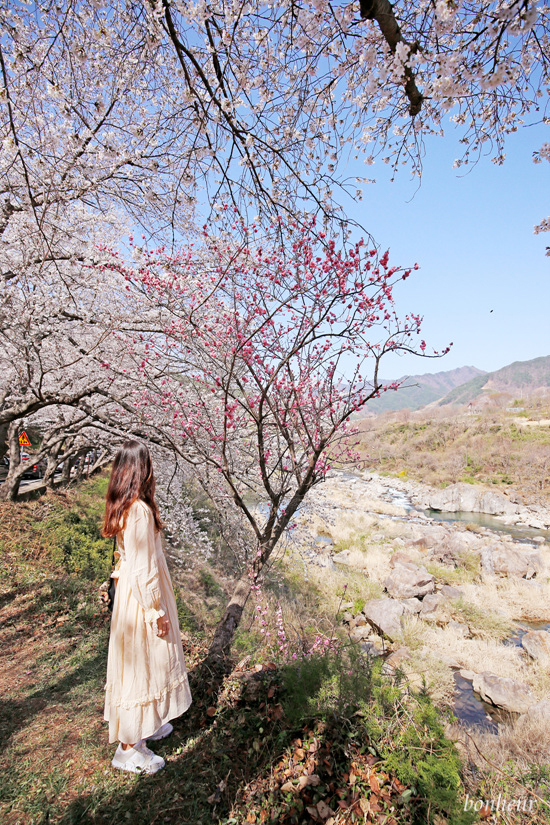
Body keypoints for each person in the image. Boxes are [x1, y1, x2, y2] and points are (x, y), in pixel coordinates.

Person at [102, 440, 192, 774]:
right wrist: (155, 609)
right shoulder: (138, 510)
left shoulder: (126, 505)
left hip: (131, 593)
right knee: (141, 662)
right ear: (142, 469)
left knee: (147, 661)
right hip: (141, 598)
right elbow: (143, 568)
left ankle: (145, 725)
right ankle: (129, 748)